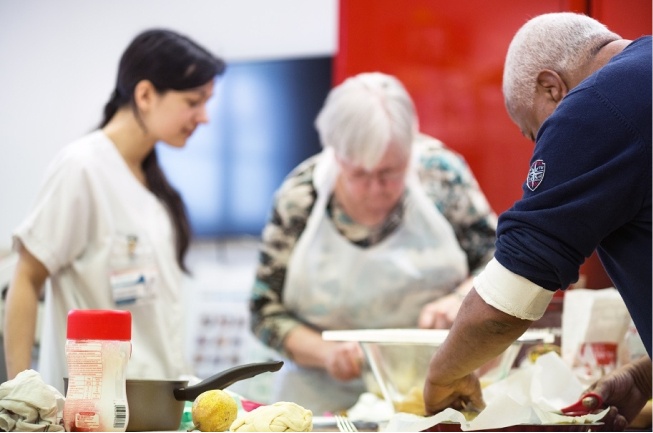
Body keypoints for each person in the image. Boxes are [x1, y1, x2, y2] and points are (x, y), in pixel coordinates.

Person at [422, 12, 651, 431]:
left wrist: (443, 376)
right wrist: (644, 378)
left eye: (535, 132)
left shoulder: (597, 105)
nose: (544, 145)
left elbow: (509, 299)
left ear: (551, 86)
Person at [249, 72, 498, 414]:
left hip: (435, 394)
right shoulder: (300, 199)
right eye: (359, 174)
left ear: (411, 149)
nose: (375, 188)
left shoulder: (440, 176)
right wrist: (326, 353)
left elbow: (501, 262)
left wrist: (460, 299)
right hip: (321, 405)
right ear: (335, 155)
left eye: (390, 172)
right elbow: (263, 311)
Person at [4, 28, 225, 392]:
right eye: (193, 101)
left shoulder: (152, 185)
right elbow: (26, 278)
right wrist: (19, 393)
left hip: (154, 404)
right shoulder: (82, 168)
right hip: (93, 409)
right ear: (145, 94)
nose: (204, 117)